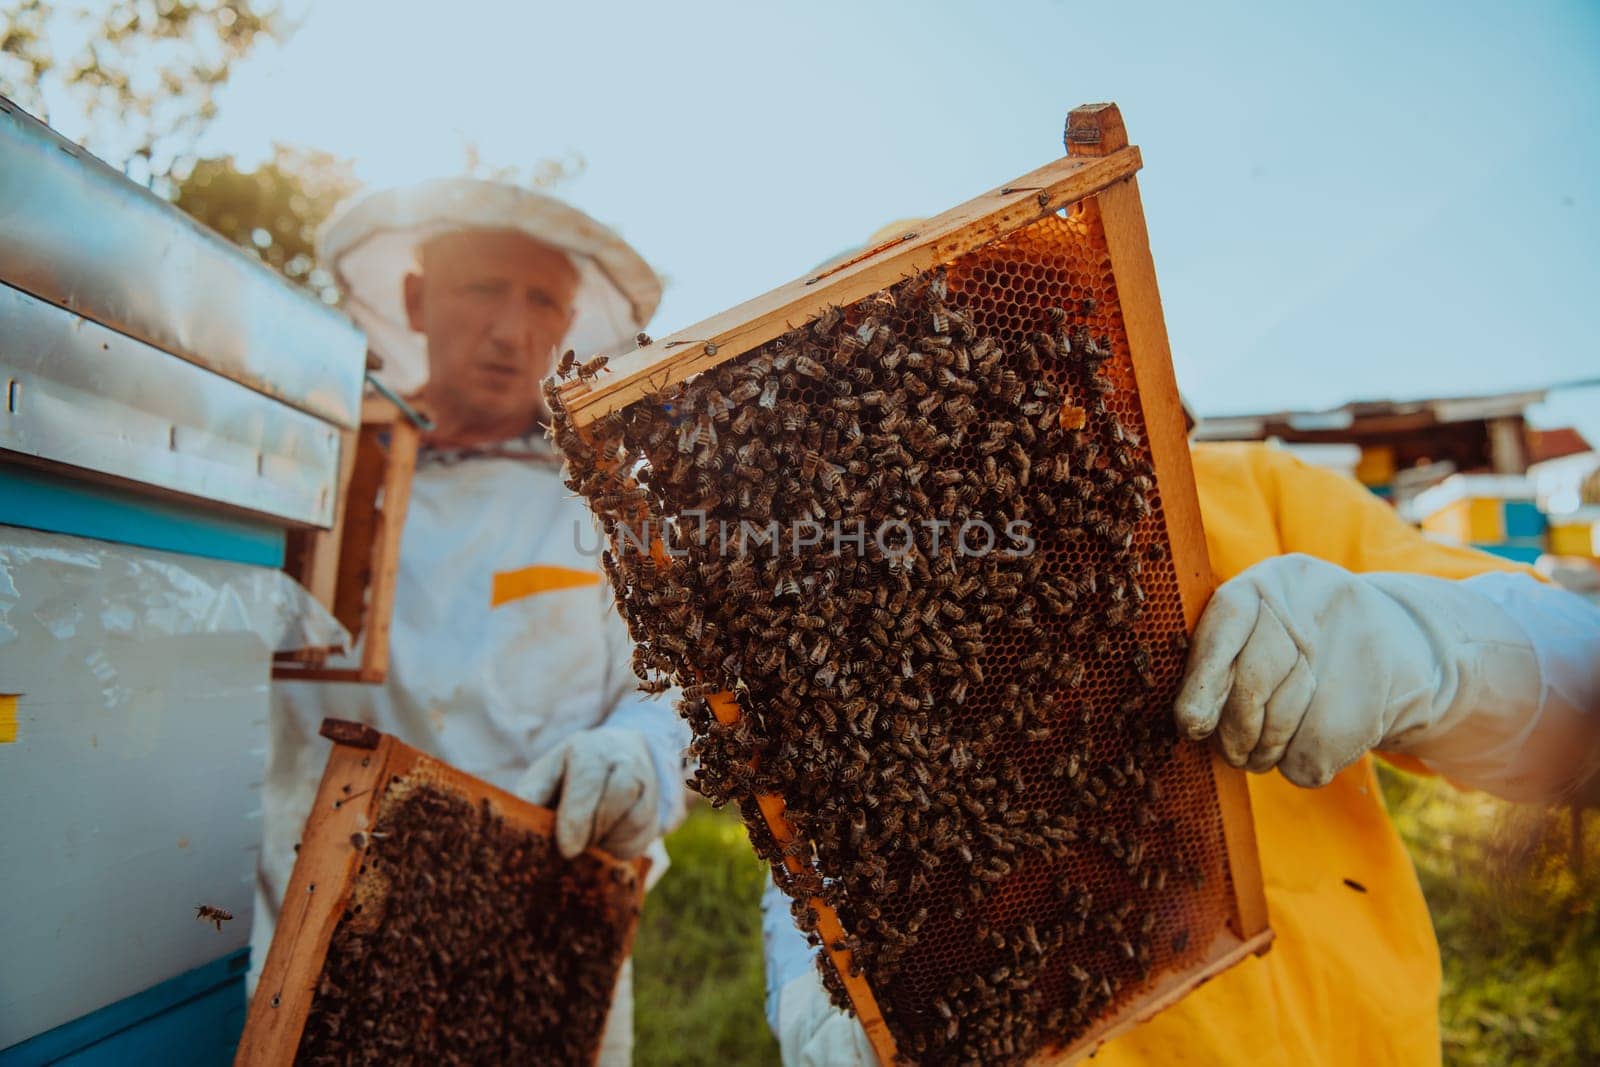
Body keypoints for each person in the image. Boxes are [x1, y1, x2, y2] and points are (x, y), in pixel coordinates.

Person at [763, 266, 1600, 1064]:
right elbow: (807, 867)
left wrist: (1421, 643)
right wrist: (816, 1010)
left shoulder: (1257, 495)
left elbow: (1581, 684)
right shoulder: (848, 611)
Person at [255, 179, 689, 1066]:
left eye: (541, 301)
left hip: (546, 933)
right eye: (483, 287)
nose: (510, 328)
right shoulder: (313, 468)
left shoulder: (607, 504)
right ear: (415, 298)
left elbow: (670, 699)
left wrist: (635, 758)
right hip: (326, 913)